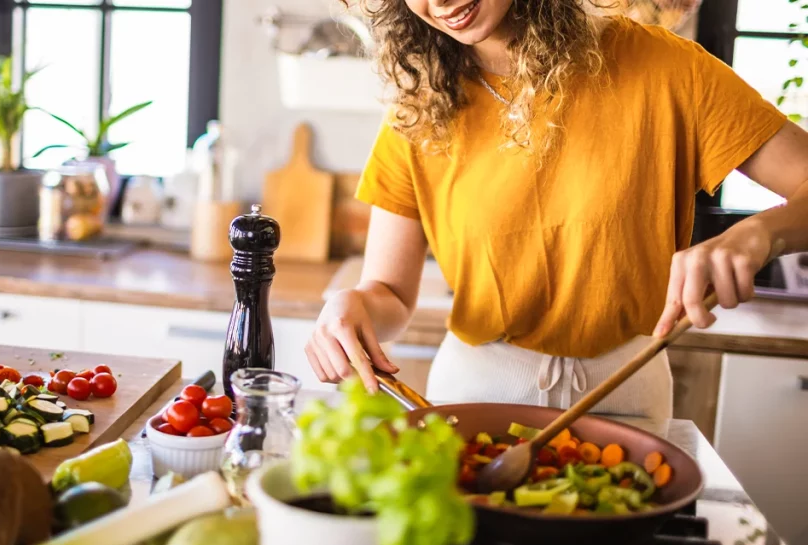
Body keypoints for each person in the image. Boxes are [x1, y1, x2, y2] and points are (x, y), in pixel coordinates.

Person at [305, 0, 808, 427]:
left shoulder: (666, 69)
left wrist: (759, 233)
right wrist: (352, 308)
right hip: (475, 399)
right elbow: (389, 295)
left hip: (629, 399)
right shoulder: (418, 108)